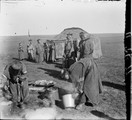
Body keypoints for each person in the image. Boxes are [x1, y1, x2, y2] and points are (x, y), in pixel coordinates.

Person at [65, 32, 103, 110]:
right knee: (82, 83)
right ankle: (82, 98)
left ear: (86, 36)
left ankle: (82, 102)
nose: (81, 37)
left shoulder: (90, 42)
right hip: (83, 61)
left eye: (82, 36)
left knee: (89, 84)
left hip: (89, 63)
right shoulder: (82, 42)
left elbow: (91, 51)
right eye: (80, 36)